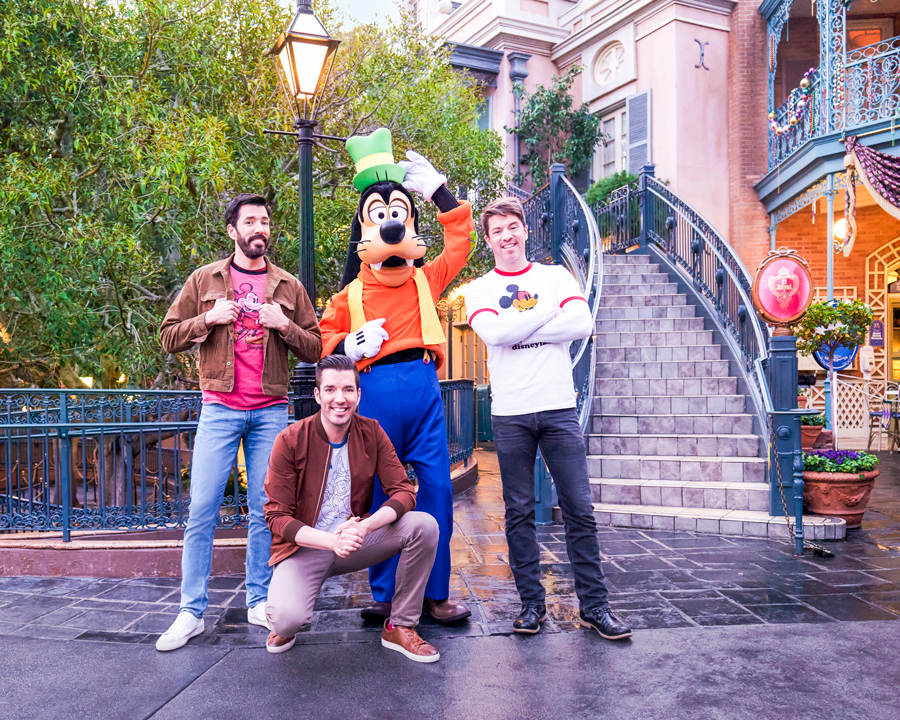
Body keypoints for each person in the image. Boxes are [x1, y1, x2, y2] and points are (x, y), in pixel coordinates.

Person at [156, 194, 322, 651]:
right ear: (232, 231)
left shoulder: (288, 286)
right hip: (220, 407)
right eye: (250, 221)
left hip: (270, 409)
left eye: (265, 221)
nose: (259, 228)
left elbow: (316, 347)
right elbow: (167, 335)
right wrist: (208, 317)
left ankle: (258, 597)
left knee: (264, 511)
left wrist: (283, 326)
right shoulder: (204, 279)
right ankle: (190, 611)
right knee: (201, 510)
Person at [462, 196, 632, 640]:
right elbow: (494, 333)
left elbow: (581, 324)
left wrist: (518, 323)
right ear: (489, 239)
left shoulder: (555, 275)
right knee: (518, 512)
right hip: (511, 412)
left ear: (524, 230)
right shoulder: (478, 289)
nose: (506, 235)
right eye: (497, 230)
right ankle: (531, 606)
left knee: (579, 508)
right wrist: (545, 312)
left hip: (558, 408)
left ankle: (595, 607)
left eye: (512, 226)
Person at [263, 355, 441, 662]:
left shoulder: (371, 432)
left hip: (355, 539)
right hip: (305, 548)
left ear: (359, 395)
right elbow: (276, 517)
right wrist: (330, 541)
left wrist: (364, 527)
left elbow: (403, 491)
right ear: (318, 395)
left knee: (423, 525)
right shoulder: (291, 440)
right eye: (330, 390)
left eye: (348, 390)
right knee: (285, 619)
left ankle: (400, 626)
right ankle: (285, 619)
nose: (339, 399)